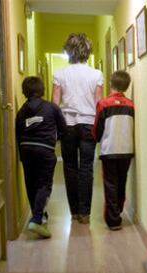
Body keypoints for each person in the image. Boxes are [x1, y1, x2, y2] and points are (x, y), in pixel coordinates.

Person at [52, 33, 103, 224]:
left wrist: (55, 129)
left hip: (67, 124)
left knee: (70, 167)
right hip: (89, 123)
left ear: (68, 51)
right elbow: (99, 104)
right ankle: (85, 213)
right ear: (87, 51)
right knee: (87, 168)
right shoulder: (96, 74)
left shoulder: (60, 73)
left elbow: (55, 104)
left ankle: (73, 211)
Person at [16, 76, 67, 238]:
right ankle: (37, 219)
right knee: (44, 185)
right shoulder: (51, 108)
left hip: (25, 149)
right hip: (45, 149)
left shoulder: (21, 111)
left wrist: (21, 155)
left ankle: (40, 217)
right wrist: (53, 140)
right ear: (42, 90)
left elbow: (18, 134)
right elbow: (63, 129)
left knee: (31, 184)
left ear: (25, 92)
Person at [92, 71, 134, 230]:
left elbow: (97, 128)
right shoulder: (131, 104)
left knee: (110, 183)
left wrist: (95, 138)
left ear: (111, 84)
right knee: (122, 181)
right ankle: (118, 212)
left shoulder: (103, 104)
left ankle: (113, 219)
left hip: (109, 150)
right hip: (127, 149)